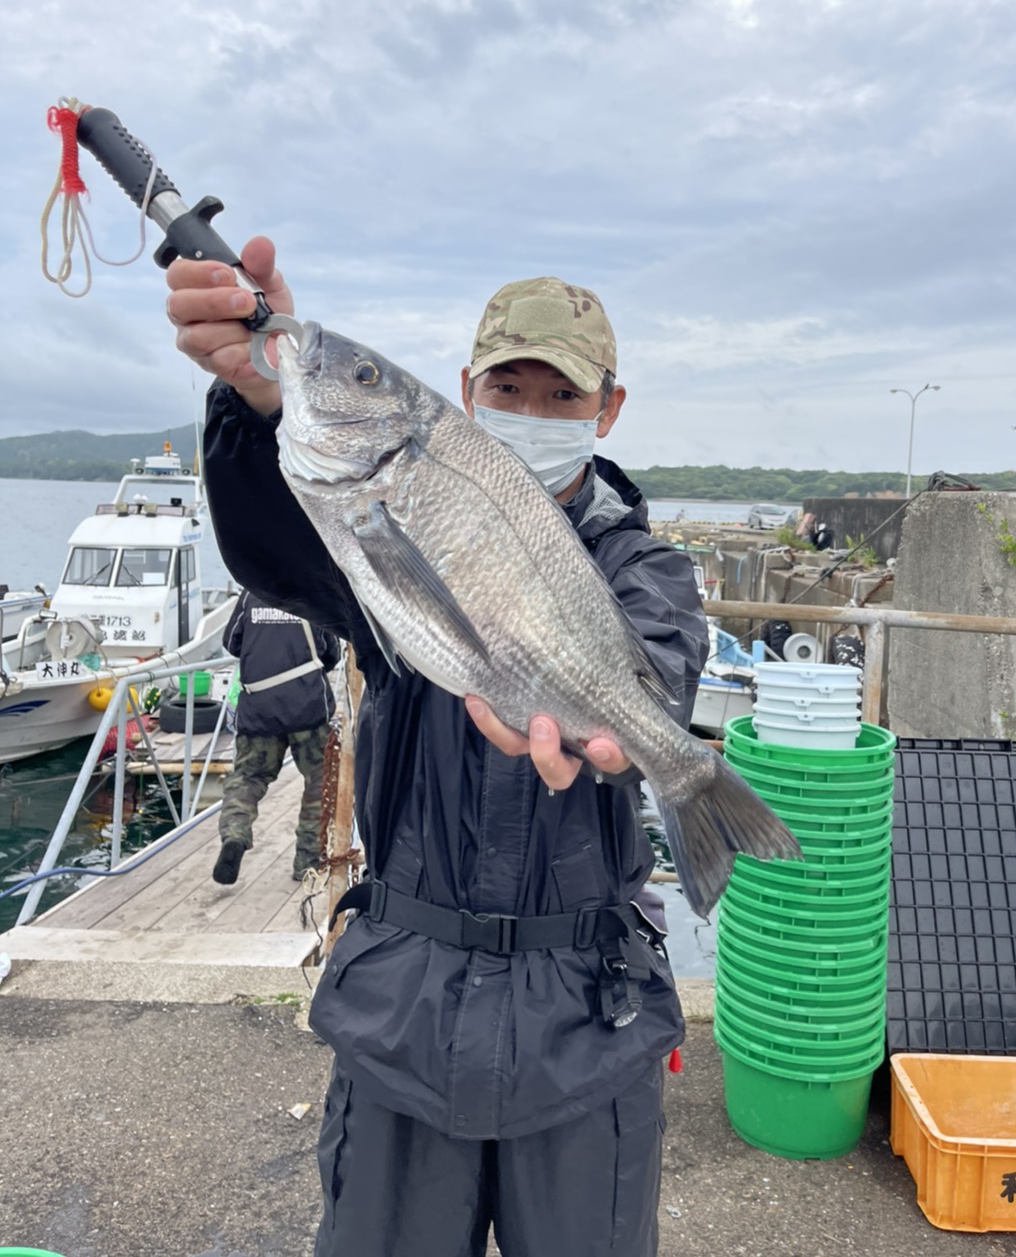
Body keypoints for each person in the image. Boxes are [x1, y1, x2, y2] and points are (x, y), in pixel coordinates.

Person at [166, 238, 709, 1257]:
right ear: (465, 391)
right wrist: (256, 400)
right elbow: (276, 549)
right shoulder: (393, 526)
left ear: (607, 409)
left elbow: (662, 667)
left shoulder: (646, 564)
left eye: (562, 394)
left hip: (586, 1016)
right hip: (401, 1005)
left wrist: (639, 743)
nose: (532, 410)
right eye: (509, 386)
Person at [212, 588, 341, 886]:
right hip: (307, 707)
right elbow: (330, 652)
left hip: (259, 706)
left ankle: (235, 835)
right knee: (321, 780)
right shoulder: (312, 591)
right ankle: (308, 861)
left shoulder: (251, 592)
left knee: (247, 777)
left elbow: (232, 643)